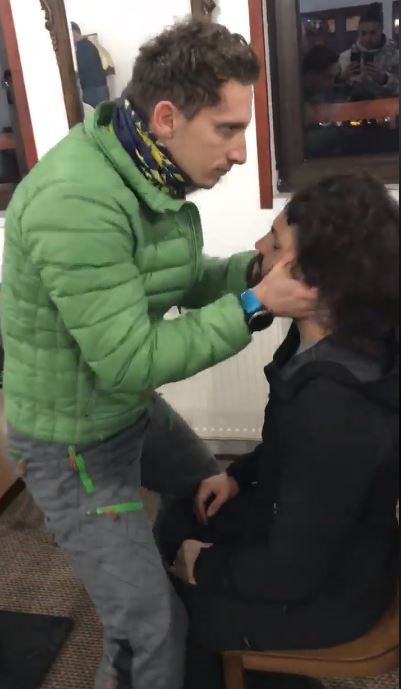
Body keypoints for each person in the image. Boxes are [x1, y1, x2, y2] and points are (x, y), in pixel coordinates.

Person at [2, 19, 316, 689]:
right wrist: (255, 304)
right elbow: (130, 359)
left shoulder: (149, 169)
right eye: (227, 130)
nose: (240, 153)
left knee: (211, 494)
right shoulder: (76, 202)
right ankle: (144, 608)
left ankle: (155, 574)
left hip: (126, 413)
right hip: (72, 444)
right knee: (146, 628)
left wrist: (250, 272)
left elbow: (175, 278)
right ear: (169, 117)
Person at [161, 174, 400, 689]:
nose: (258, 246)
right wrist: (238, 475)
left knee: (178, 608)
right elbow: (289, 452)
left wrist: (206, 566)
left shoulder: (335, 407)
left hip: (331, 592)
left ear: (315, 279)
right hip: (317, 543)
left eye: (274, 242)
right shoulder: (331, 341)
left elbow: (292, 571)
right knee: (180, 515)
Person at [339, 2, 399, 97]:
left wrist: (384, 79)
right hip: (355, 105)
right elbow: (334, 94)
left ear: (381, 30)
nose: (367, 39)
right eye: (363, 33)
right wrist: (342, 78)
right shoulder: (346, 57)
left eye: (372, 33)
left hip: (388, 105)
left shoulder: (396, 56)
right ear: (358, 31)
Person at [71, 22, 110, 107]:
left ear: (73, 33)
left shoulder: (83, 48)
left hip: (94, 91)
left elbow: (79, 69)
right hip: (97, 89)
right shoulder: (87, 45)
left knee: (96, 114)